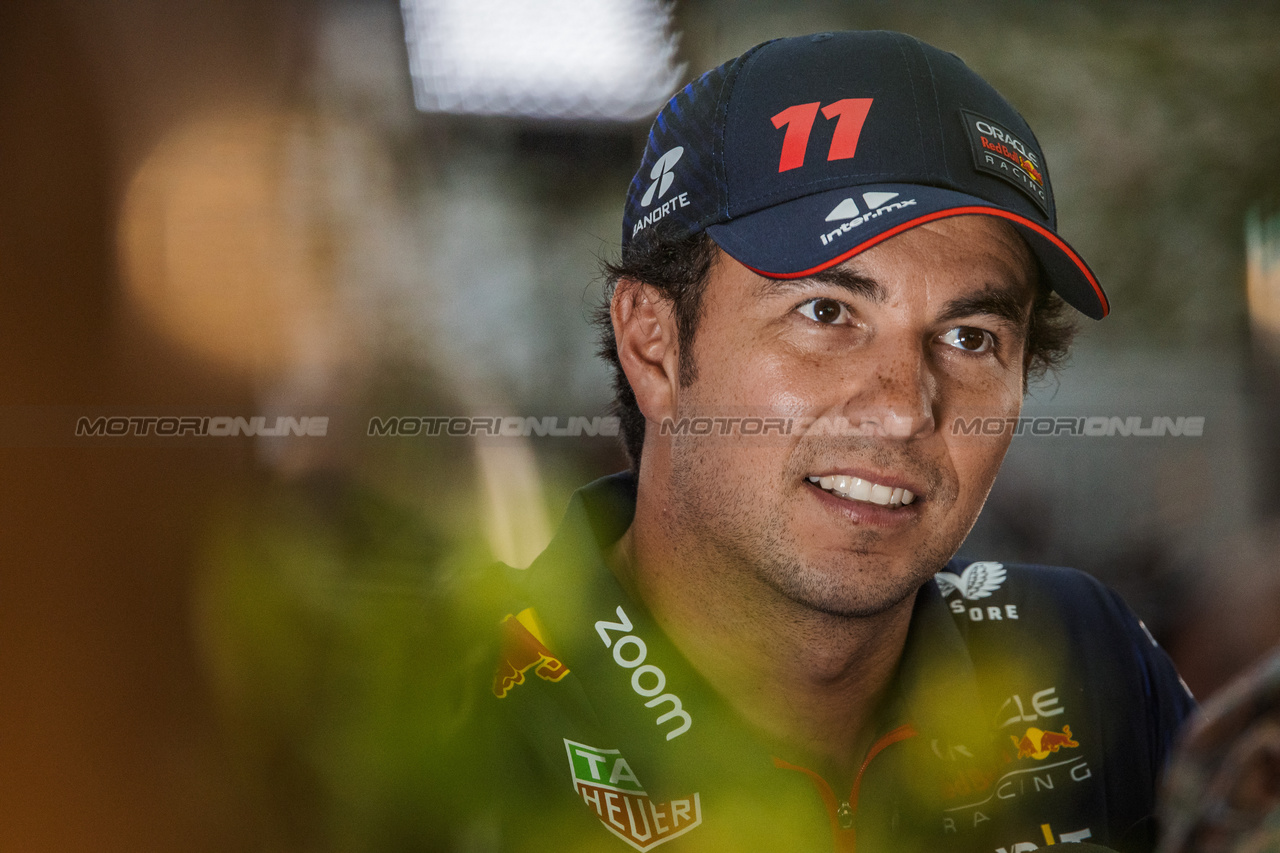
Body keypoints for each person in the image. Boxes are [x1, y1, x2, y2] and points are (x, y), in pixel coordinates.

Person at [475, 30, 1194, 853]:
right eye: (827, 313)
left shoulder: (1081, 657)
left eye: (970, 337)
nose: (901, 408)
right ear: (655, 344)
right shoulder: (454, 713)